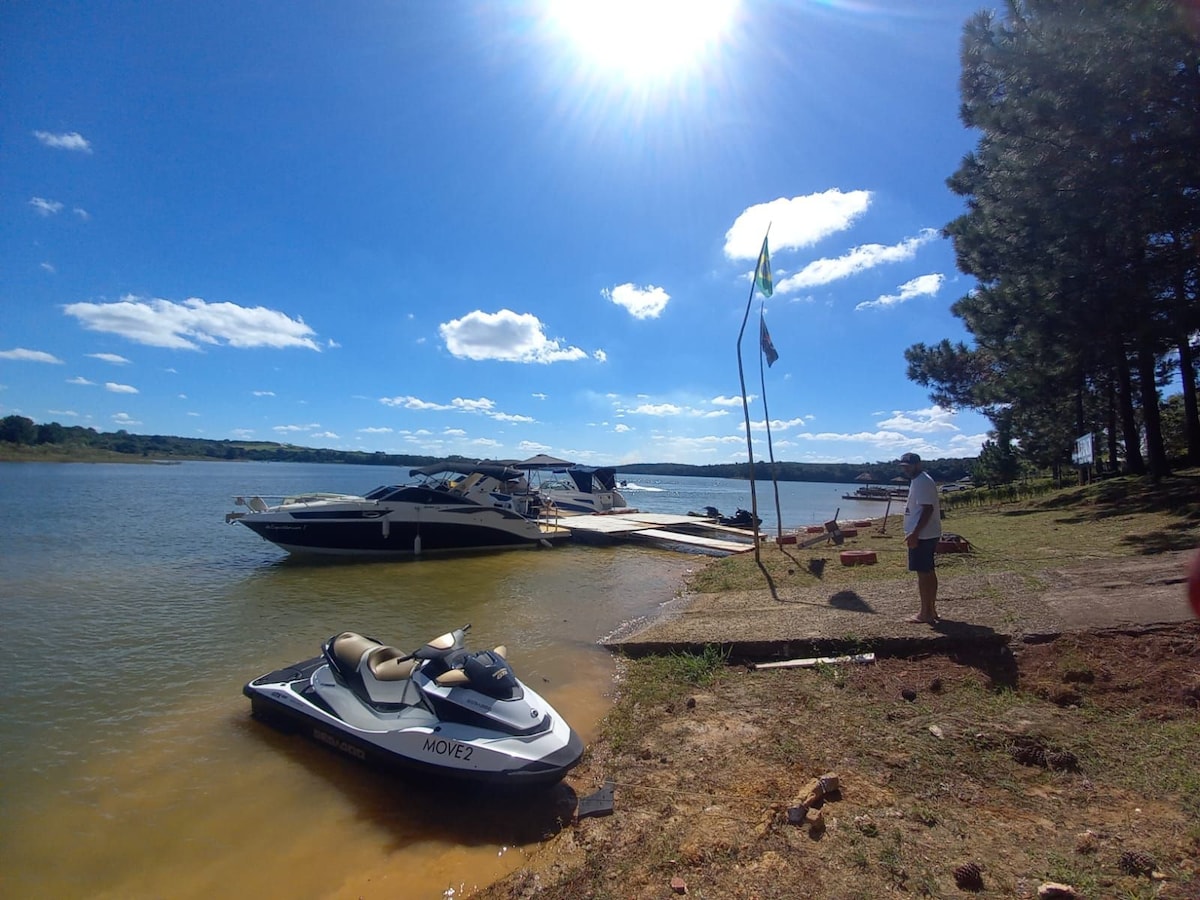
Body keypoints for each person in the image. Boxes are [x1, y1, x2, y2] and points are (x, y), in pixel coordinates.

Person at [900, 452, 942, 623]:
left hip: (923, 535)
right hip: (926, 534)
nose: (905, 469)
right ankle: (931, 611)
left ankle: (925, 613)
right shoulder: (919, 480)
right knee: (928, 572)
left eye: (908, 465)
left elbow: (928, 509)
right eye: (903, 466)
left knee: (924, 574)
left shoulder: (922, 481)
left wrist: (915, 533)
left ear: (918, 464)